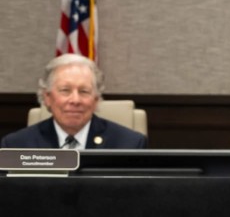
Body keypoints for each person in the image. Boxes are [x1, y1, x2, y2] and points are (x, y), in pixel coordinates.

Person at [1, 54, 147, 149]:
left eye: (84, 91)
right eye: (65, 90)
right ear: (47, 98)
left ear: (96, 100)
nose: (75, 100)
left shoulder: (129, 144)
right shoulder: (16, 145)